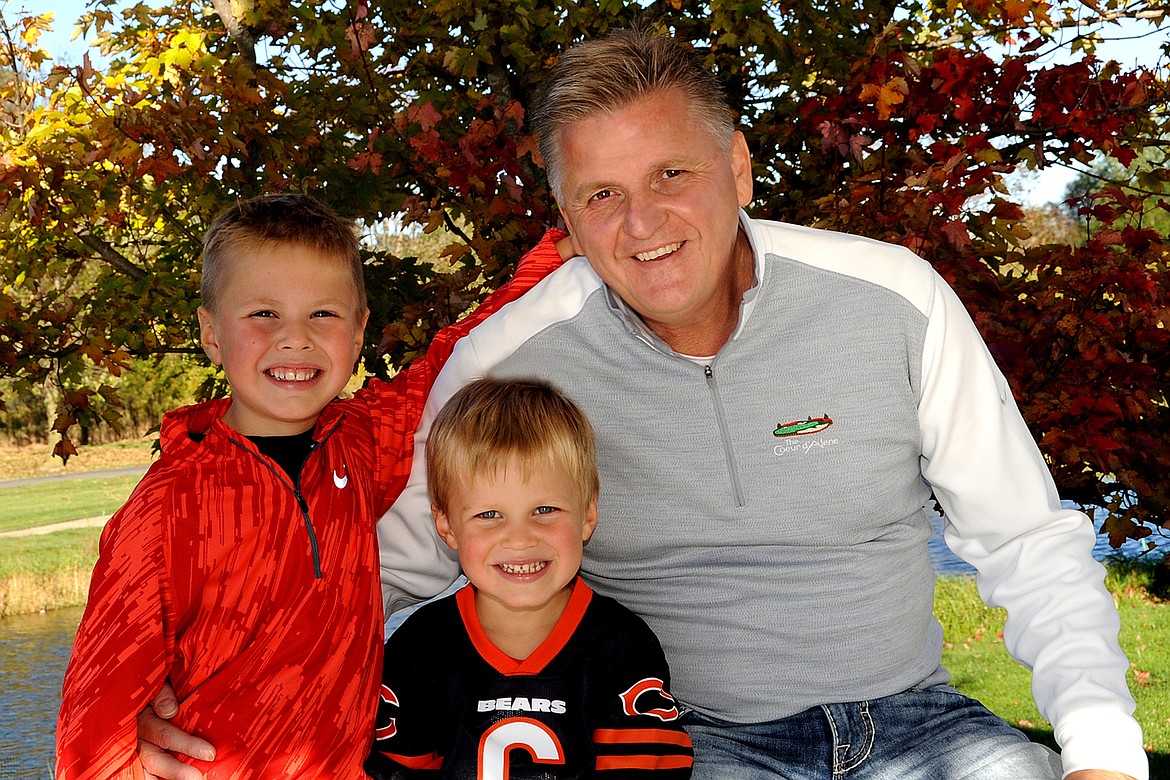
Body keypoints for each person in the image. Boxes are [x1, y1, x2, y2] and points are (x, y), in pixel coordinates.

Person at [136, 28, 1147, 780]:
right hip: (676, 742)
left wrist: (1102, 746)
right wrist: (226, 694)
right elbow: (387, 591)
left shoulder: (893, 300)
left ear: (739, 167)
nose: (644, 223)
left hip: (923, 726)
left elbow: (1027, 542)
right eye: (602, 195)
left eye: (672, 173)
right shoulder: (504, 365)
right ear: (567, 216)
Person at [56, 194, 562, 779]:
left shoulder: (360, 442)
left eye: (323, 314)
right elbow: (96, 710)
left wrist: (553, 257)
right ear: (212, 334)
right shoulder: (169, 506)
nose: (295, 339)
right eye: (263, 315)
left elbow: (456, 355)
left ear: (360, 330)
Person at [365, 378, 693, 778]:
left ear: (587, 514)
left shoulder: (620, 646)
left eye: (545, 510)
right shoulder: (420, 648)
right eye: (489, 515)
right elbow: (398, 768)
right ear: (447, 526)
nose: (520, 538)